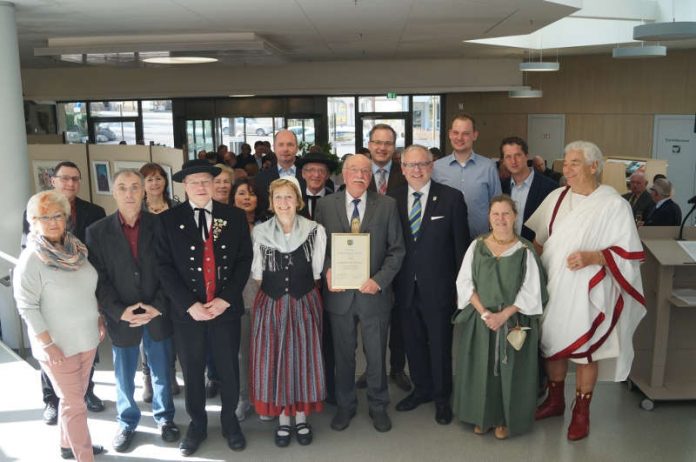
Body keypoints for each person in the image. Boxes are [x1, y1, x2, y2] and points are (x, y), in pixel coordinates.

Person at [526, 141, 646, 441]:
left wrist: (594, 257)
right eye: (565, 163)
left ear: (594, 166)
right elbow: (540, 240)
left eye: (575, 163)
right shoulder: (555, 197)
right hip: (555, 286)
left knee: (585, 352)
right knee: (551, 344)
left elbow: (629, 252)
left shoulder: (614, 204)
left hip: (590, 289)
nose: (567, 169)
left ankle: (582, 412)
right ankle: (555, 401)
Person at [157, 159, 252, 456]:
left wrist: (226, 299)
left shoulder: (233, 216)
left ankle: (229, 423)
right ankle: (197, 425)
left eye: (206, 181)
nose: (200, 186)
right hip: (189, 313)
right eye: (194, 182)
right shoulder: (167, 220)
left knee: (228, 369)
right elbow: (164, 267)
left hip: (224, 309)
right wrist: (189, 305)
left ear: (213, 184)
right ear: (185, 186)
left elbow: (243, 261)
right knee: (193, 370)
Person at [85, 170, 180, 453]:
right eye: (123, 187)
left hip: (156, 310)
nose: (129, 193)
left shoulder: (162, 225)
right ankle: (127, 422)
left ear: (144, 192)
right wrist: (118, 311)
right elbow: (98, 278)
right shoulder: (97, 231)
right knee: (124, 375)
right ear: (113, 192)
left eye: (135, 187)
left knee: (163, 370)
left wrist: (158, 306)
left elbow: (171, 269)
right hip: (122, 315)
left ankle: (165, 419)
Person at [315, 153, 405, 433]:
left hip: (373, 294)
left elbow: (397, 249)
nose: (360, 175)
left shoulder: (387, 205)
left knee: (377, 356)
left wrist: (379, 281)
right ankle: (346, 406)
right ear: (343, 173)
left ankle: (378, 406)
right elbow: (319, 249)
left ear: (372, 175)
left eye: (366, 171)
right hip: (339, 295)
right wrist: (327, 270)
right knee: (343, 355)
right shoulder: (325, 205)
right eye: (354, 169)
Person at [14, 190, 106, 461]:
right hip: (58, 347)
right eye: (45, 217)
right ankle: (84, 456)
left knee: (72, 402)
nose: (53, 222)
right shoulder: (31, 259)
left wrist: (98, 317)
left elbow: (87, 289)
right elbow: (27, 307)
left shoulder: (75, 248)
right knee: (75, 404)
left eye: (58, 215)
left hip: (87, 338)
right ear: (33, 220)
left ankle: (67, 446)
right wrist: (47, 344)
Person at [454, 196, 547, 439]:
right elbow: (464, 282)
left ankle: (505, 418)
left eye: (506, 214)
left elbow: (532, 290)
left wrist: (503, 315)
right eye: (496, 214)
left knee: (509, 372)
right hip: (482, 319)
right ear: (489, 217)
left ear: (515, 216)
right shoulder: (477, 246)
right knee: (481, 369)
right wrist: (486, 314)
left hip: (513, 322)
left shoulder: (525, 250)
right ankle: (481, 416)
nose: (501, 219)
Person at [390, 145, 470, 425]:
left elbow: (461, 249)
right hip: (403, 287)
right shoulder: (393, 198)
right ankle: (421, 390)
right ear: (401, 168)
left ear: (432, 165)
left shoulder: (451, 199)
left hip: (439, 288)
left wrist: (461, 292)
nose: (417, 170)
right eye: (410, 165)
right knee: (412, 343)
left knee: (439, 344)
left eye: (422, 164)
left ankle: (441, 397)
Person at [249, 178, 327, 447]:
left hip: (304, 302)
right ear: (271, 202)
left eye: (288, 197)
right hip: (271, 304)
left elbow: (317, 272)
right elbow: (258, 274)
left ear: (298, 200)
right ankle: (283, 420)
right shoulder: (259, 233)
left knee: (303, 359)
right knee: (276, 360)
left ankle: (302, 418)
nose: (284, 203)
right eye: (278, 198)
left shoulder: (315, 230)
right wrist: (277, 295)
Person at [361, 123, 411, 392]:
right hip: (365, 262)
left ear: (395, 148)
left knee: (399, 318)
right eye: (377, 142)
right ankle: (371, 369)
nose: (382, 148)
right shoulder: (359, 174)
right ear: (369, 144)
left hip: (398, 259)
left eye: (388, 143)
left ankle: (397, 368)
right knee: (370, 321)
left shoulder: (405, 176)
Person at [138, 162, 180, 401]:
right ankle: (146, 376)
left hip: (173, 274)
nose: (155, 183)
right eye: (150, 179)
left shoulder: (175, 207)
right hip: (146, 276)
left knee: (170, 328)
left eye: (159, 178)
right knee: (148, 328)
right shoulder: (137, 210)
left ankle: (170, 373)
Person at [433, 114, 502, 238]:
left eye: (465, 133)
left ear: (475, 135)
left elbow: (497, 204)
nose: (459, 138)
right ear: (450, 134)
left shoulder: (488, 167)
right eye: (456, 132)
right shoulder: (436, 168)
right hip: (446, 240)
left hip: (481, 241)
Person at [230, 178, 263, 421]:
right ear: (233, 198)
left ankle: (263, 398)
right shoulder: (224, 225)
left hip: (265, 296)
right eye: (241, 193)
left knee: (264, 352)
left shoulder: (267, 226)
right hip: (237, 297)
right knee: (241, 353)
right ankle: (243, 398)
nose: (246, 197)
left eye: (251, 193)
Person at [500, 137, 558, 241]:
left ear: (527, 156)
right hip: (506, 249)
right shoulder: (500, 187)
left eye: (518, 155)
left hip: (537, 251)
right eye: (508, 157)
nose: (513, 161)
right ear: (503, 161)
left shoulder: (550, 187)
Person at [254, 130, 306, 213]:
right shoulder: (260, 179)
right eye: (281, 145)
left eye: (290, 145)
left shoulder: (308, 176)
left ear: (296, 148)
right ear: (274, 148)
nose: (285, 149)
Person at [297, 152, 337, 220]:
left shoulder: (336, 202)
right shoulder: (295, 200)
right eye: (311, 170)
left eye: (321, 171)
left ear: (327, 175)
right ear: (303, 174)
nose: (316, 175)